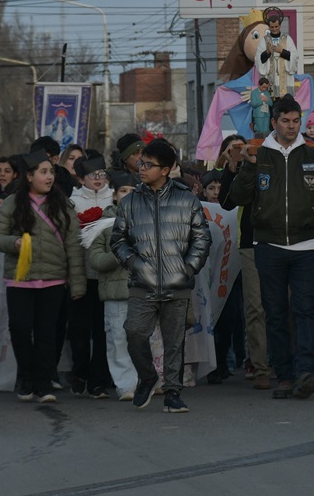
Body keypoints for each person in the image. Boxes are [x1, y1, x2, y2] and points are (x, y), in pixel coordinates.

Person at [227, 95, 314, 399]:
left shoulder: (312, 151)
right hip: (268, 244)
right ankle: (284, 374)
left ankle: (306, 371)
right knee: (275, 313)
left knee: (305, 311)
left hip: (307, 245)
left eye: (296, 121)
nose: (292, 127)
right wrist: (249, 166)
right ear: (275, 122)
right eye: (286, 121)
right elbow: (236, 197)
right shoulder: (260, 152)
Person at [110, 140, 212, 413]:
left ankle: (173, 393)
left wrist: (187, 269)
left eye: (148, 165)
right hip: (141, 284)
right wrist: (133, 263)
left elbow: (201, 239)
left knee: (174, 341)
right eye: (141, 163)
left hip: (176, 284)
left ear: (166, 169)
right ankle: (146, 376)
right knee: (134, 333)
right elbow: (117, 240)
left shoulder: (187, 200)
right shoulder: (130, 202)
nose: (141, 169)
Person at [0, 150, 86, 404]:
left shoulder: (64, 204)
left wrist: (77, 283)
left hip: (54, 279)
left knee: (47, 334)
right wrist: (14, 243)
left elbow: (74, 246)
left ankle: (44, 383)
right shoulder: (12, 203)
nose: (49, 177)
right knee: (20, 330)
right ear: (29, 176)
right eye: (43, 172)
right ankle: (26, 377)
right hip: (20, 279)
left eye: (51, 172)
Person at [218, 134, 272, 390]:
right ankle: (259, 365)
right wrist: (232, 166)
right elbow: (227, 203)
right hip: (251, 242)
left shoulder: (278, 154)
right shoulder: (241, 167)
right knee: (255, 307)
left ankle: (285, 362)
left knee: (286, 304)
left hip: (284, 240)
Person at [84, 172, 139, 401]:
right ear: (115, 196)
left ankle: (148, 380)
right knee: (118, 339)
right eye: (124, 191)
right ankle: (125, 385)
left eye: (134, 192)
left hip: (143, 289)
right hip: (115, 293)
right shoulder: (103, 226)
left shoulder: (149, 221)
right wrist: (119, 254)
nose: (128, 196)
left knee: (144, 338)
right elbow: (95, 260)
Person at [68, 151, 112, 399]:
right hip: (81, 273)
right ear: (81, 178)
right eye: (91, 175)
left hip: (106, 273)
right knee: (79, 329)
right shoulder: (72, 202)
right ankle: (80, 371)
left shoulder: (114, 199)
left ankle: (99, 380)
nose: (97, 179)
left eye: (101, 174)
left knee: (104, 329)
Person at [258, 12, 299, 98]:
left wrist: (282, 51)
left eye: (276, 27)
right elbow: (259, 59)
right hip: (270, 79)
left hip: (285, 78)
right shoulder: (264, 40)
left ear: (280, 26)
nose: (274, 29)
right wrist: (267, 52)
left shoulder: (287, 39)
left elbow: (294, 56)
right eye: (272, 27)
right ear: (269, 27)